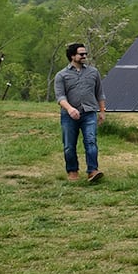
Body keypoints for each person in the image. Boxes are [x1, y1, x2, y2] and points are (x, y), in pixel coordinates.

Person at [54, 42, 106, 183]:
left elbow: (99, 93)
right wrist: (70, 109)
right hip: (69, 116)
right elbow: (60, 97)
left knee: (91, 141)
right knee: (69, 145)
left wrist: (102, 111)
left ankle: (93, 171)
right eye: (81, 54)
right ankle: (72, 171)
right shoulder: (61, 75)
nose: (84, 56)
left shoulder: (93, 72)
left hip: (89, 113)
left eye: (85, 54)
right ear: (72, 56)